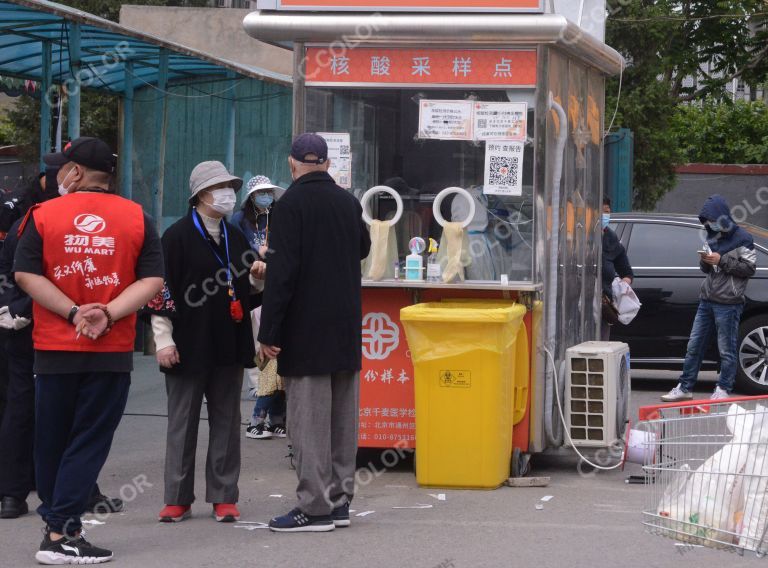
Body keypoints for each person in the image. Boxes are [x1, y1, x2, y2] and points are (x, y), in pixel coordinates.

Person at [13, 136, 165, 564]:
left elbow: (25, 275)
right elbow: (153, 280)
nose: (58, 173)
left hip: (54, 347)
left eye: (62, 166)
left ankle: (58, 527)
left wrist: (74, 311)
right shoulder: (137, 218)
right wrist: (107, 314)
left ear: (75, 173)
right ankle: (62, 530)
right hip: (110, 348)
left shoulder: (42, 215)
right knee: (89, 438)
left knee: (51, 439)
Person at [259, 133, 371, 532]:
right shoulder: (347, 202)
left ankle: (314, 508)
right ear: (326, 163)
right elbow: (362, 248)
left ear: (292, 164)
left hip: (305, 332)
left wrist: (268, 330)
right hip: (344, 330)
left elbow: (281, 275)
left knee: (308, 423)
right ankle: (339, 503)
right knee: (343, 421)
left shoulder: (288, 206)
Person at [0, 168, 123, 520]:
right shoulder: (43, 222)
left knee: (24, 407)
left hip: (33, 324)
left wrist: (18, 310)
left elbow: (14, 271)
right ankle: (71, 494)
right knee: (70, 414)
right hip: (59, 329)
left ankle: (14, 494)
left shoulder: (31, 221)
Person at [146, 161, 262, 524]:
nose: (228, 192)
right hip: (187, 344)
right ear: (200, 195)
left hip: (228, 342)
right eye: (220, 186)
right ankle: (177, 497)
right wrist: (163, 341)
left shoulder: (236, 237)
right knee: (182, 423)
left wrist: (259, 276)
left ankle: (224, 495)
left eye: (230, 185)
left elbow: (248, 292)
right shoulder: (176, 237)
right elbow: (160, 292)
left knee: (228, 421)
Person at [662, 195, 757, 402]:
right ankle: (685, 386)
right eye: (706, 221)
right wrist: (705, 261)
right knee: (694, 346)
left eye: (711, 219)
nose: (709, 224)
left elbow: (749, 269)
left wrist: (721, 260)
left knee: (726, 349)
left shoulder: (743, 238)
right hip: (707, 299)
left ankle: (723, 388)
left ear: (722, 217)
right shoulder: (712, 236)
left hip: (729, 303)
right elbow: (706, 269)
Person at [231, 175, 287, 440]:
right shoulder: (238, 222)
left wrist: (271, 255)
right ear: (251, 197)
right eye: (260, 193)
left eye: (269, 192)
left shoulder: (280, 219)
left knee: (273, 356)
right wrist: (255, 261)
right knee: (264, 353)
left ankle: (276, 418)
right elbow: (234, 257)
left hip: (275, 291)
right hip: (251, 291)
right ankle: (257, 417)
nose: (265, 197)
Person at [601, 197, 633, 341]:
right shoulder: (578, 236)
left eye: (607, 212)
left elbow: (627, 272)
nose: (604, 215)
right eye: (600, 212)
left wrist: (624, 284)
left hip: (603, 308)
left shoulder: (610, 237)